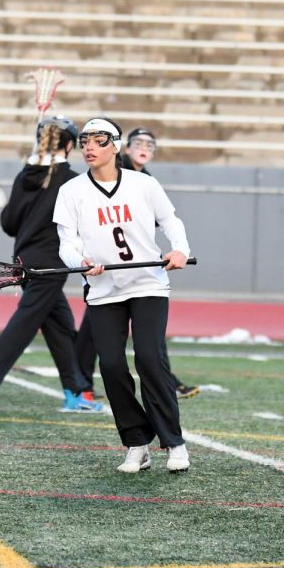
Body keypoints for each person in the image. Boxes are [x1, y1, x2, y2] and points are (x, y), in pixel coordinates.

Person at [53, 117, 192, 474]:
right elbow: (67, 242)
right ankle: (136, 443)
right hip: (102, 289)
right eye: (85, 141)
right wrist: (79, 262)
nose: (89, 147)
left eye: (99, 141)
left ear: (116, 146)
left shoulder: (143, 183)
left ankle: (174, 442)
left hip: (147, 283)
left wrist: (179, 249)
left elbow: (171, 220)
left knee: (148, 358)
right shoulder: (71, 191)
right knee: (112, 366)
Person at [0, 117, 101, 413]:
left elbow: (9, 223)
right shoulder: (73, 181)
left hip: (25, 262)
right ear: (68, 145)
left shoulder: (24, 176)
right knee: (25, 323)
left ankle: (76, 391)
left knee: (61, 326)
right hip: (53, 264)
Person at [75, 126, 200, 401]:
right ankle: (80, 382)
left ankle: (164, 382)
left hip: (135, 270)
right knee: (94, 330)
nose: (144, 148)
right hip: (102, 266)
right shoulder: (110, 171)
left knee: (147, 338)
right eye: (139, 142)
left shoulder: (145, 181)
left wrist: (178, 248)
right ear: (125, 147)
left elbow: (163, 219)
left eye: (150, 144)